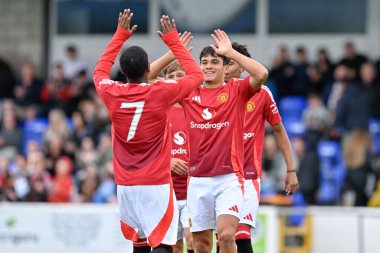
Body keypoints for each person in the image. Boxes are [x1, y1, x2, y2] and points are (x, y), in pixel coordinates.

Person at [92, 9, 203, 253]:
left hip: (125, 185)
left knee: (139, 243)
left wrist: (120, 35)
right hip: (155, 182)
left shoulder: (112, 92)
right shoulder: (160, 93)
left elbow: (99, 71)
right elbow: (196, 75)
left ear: (122, 73)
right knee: (163, 242)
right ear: (148, 71)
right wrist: (173, 41)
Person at [223, 42, 299, 253]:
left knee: (242, 235)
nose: (227, 68)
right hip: (218, 177)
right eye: (225, 63)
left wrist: (290, 169)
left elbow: (279, 131)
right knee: (223, 238)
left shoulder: (261, 93)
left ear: (243, 66)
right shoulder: (210, 92)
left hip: (248, 176)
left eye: (232, 62)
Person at [148, 34, 194, 253]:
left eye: (181, 75)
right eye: (172, 75)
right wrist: (168, 161)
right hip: (168, 191)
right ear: (164, 80)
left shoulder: (196, 106)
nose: (177, 79)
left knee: (194, 241)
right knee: (175, 245)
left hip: (193, 189)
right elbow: (147, 76)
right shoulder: (159, 108)